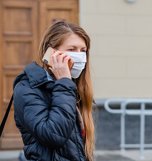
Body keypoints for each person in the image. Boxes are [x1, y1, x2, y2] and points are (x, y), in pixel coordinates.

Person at [13, 20, 95, 161]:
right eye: (71, 49)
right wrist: (64, 82)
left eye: (83, 51)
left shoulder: (73, 88)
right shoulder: (27, 88)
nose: (80, 56)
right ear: (51, 52)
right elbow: (53, 135)